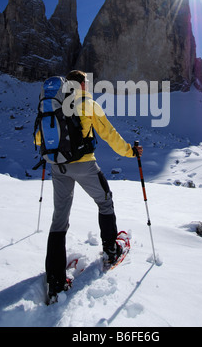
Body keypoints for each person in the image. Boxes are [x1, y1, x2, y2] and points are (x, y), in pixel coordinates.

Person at [45, 70, 143, 297]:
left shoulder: (54, 104)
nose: (88, 86)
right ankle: (111, 250)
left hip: (57, 166)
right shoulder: (87, 104)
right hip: (84, 165)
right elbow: (109, 134)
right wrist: (131, 152)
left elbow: (39, 138)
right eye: (86, 83)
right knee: (105, 201)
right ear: (80, 84)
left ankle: (55, 280)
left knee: (59, 219)